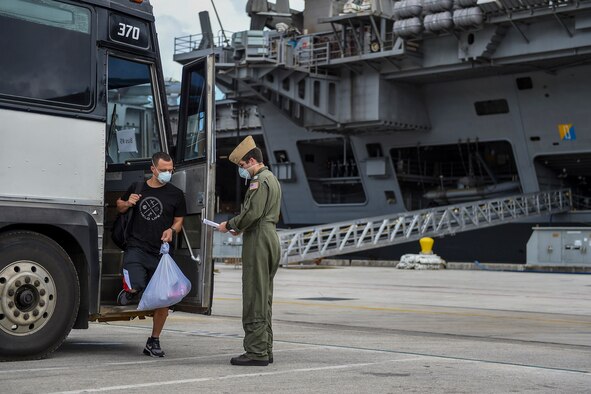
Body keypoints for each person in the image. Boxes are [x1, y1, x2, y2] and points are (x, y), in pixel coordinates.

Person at [116, 152, 187, 358]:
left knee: (164, 299)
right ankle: (130, 291)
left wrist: (172, 231)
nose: (167, 173)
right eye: (163, 170)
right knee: (135, 285)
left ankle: (153, 340)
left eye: (170, 170)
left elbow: (179, 221)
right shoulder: (138, 188)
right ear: (153, 169)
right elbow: (119, 207)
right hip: (136, 248)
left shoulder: (176, 194)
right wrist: (128, 202)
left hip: (161, 252)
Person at [219, 136, 282, 367]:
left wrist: (231, 225)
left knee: (254, 294)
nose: (242, 170)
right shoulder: (272, 179)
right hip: (269, 236)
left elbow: (252, 213)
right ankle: (265, 347)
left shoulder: (258, 181)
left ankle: (256, 352)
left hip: (258, 238)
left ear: (252, 160)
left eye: (243, 166)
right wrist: (241, 227)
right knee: (264, 295)